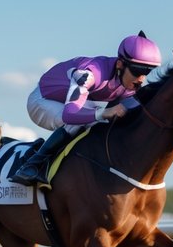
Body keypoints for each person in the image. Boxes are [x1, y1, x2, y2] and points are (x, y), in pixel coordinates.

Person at [10, 31, 161, 188]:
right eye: (137, 71)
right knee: (85, 119)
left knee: (102, 122)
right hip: (42, 101)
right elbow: (70, 115)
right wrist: (104, 112)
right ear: (120, 64)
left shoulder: (129, 86)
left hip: (69, 102)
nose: (141, 78)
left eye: (147, 71)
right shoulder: (90, 74)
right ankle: (32, 164)